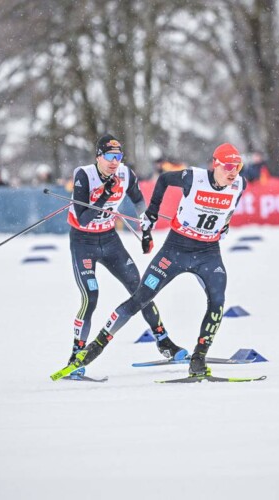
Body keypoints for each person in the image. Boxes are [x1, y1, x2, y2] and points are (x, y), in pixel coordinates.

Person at [62, 142, 247, 379]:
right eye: (229, 166)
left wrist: (225, 224)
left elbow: (229, 207)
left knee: (217, 301)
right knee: (136, 296)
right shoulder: (193, 177)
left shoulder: (240, 184)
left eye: (238, 166)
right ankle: (90, 350)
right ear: (215, 164)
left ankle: (197, 358)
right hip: (174, 249)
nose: (234, 172)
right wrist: (151, 212)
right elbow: (163, 181)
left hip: (208, 252)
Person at [65, 133, 185, 377]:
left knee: (141, 289)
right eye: (109, 156)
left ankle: (164, 343)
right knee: (91, 296)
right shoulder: (83, 175)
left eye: (118, 156)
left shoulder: (125, 173)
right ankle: (76, 355)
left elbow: (139, 202)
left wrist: (146, 231)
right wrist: (106, 194)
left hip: (109, 240)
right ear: (98, 156)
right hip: (83, 241)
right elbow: (83, 218)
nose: (114, 162)